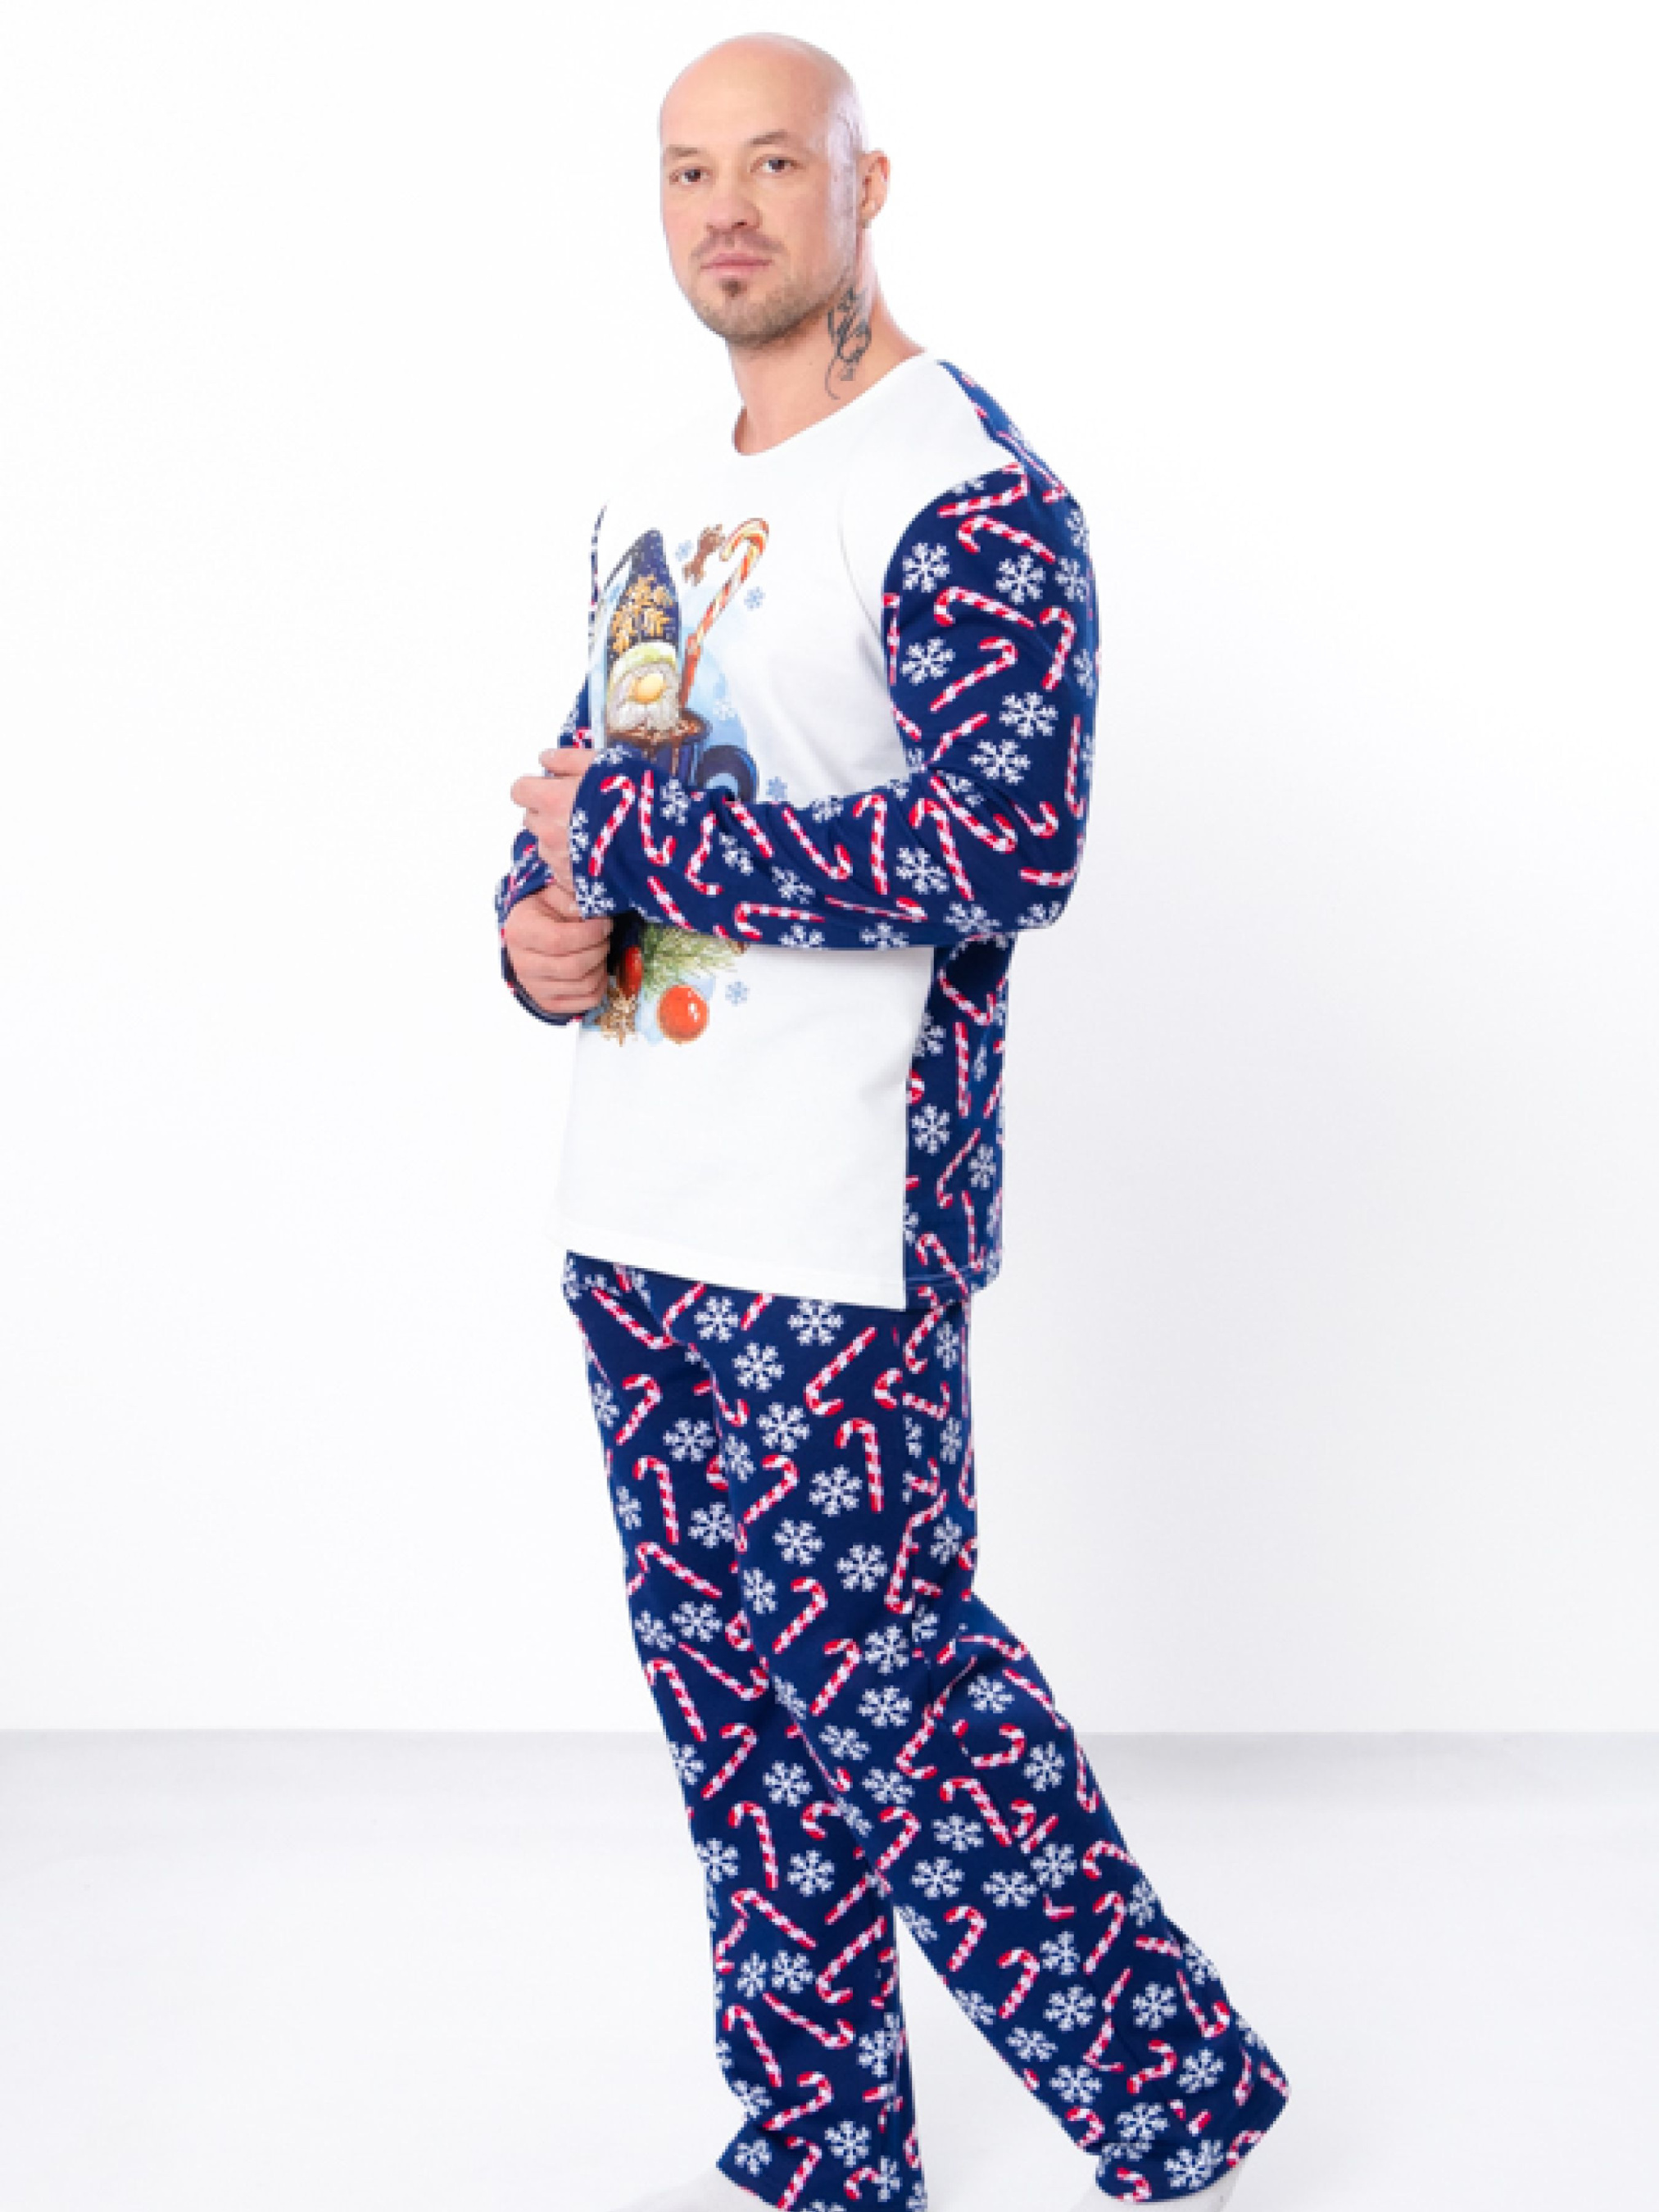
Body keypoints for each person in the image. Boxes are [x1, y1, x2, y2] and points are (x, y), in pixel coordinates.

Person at [498, 33, 1291, 2211]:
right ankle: (823, 2150)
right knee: (740, 1734)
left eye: (774, 163)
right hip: (640, 1209)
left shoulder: (969, 491)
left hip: (841, 1216)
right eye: (687, 173)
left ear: (865, 186)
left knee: (901, 1699)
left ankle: (1177, 2101)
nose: (726, 209)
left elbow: (1003, 845)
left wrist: (643, 841)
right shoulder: (657, 494)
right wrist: (538, 927)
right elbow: (595, 792)